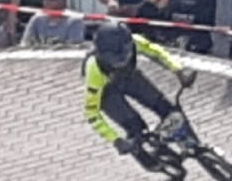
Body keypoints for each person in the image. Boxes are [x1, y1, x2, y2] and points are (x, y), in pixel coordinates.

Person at [83, 20, 199, 172]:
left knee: (166, 108)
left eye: (125, 57)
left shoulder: (134, 42)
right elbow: (92, 113)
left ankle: (193, 143)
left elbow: (158, 53)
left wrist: (179, 70)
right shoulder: (94, 70)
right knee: (136, 128)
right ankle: (147, 160)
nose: (120, 63)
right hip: (107, 91)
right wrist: (116, 140)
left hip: (129, 77)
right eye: (115, 60)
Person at [22, 0, 86, 46]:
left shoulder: (75, 21)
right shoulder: (37, 19)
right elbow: (25, 44)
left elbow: (75, 47)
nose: (46, 0)